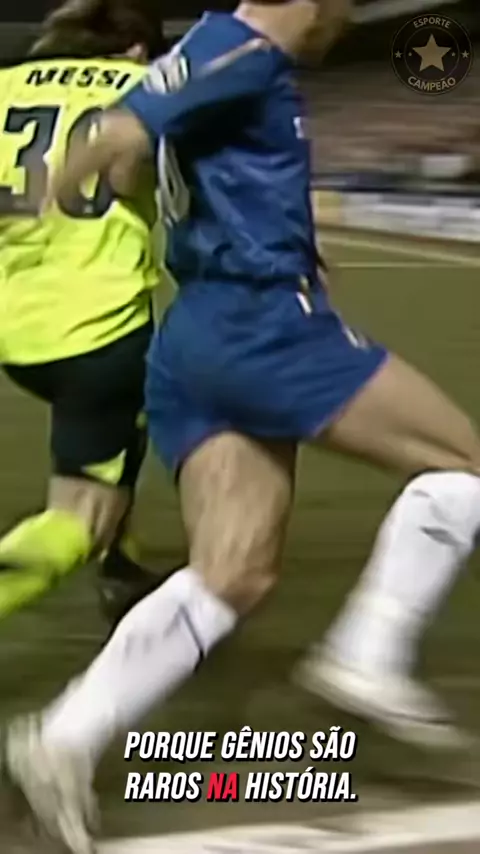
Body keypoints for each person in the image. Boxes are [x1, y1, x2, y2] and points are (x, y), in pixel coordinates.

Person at [6, 0, 480, 850]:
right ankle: (368, 659)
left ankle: (61, 739)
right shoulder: (241, 48)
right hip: (262, 325)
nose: (346, 20)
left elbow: (144, 142)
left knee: (232, 573)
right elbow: (116, 134)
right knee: (468, 468)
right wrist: (73, 183)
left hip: (194, 336)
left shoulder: (215, 54)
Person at [0, 0, 166, 628]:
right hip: (101, 328)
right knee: (77, 514)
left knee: (127, 429)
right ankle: (100, 548)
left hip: (17, 325)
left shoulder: (5, 85)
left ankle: (122, 566)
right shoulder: (145, 85)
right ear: (135, 48)